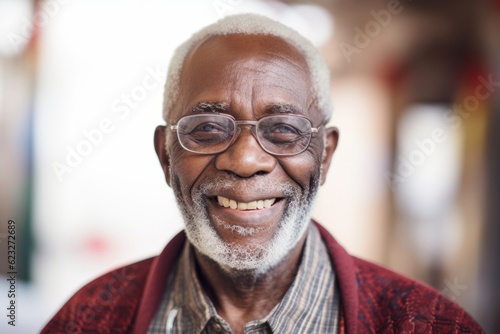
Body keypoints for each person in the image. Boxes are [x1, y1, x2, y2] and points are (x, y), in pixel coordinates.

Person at [42, 14, 484, 334]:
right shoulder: (85, 321)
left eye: (284, 130)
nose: (246, 160)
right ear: (165, 155)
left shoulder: (429, 325)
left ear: (325, 156)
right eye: (209, 128)